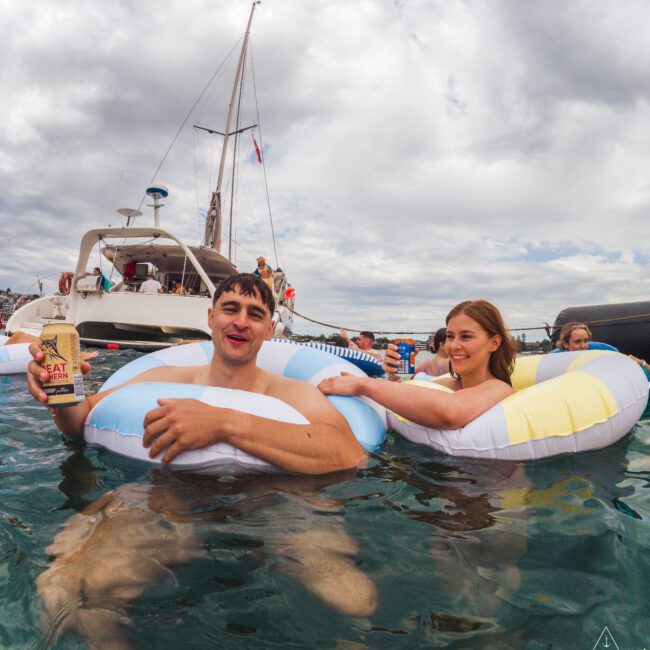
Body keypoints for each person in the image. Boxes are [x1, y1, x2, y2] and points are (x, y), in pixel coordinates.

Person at [27, 272, 365, 474]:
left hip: (274, 505)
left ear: (269, 331)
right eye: (230, 309)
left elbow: (348, 452)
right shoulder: (169, 377)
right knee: (72, 575)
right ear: (209, 318)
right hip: (170, 495)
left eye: (255, 314)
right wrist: (58, 394)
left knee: (345, 590)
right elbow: (80, 421)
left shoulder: (291, 393)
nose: (241, 322)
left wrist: (225, 424)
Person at [320, 300, 516, 430]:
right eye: (449, 337)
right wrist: (392, 376)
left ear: (494, 342)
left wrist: (364, 384)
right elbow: (404, 395)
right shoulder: (452, 383)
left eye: (466, 337)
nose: (454, 345)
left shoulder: (499, 388)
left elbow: (449, 412)